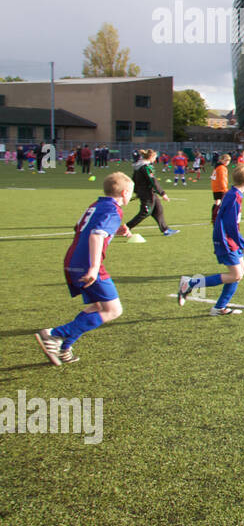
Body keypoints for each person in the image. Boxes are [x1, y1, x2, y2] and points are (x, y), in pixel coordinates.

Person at [36, 170, 135, 365]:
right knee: (113, 310)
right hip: (87, 264)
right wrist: (94, 267)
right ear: (124, 193)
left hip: (72, 260)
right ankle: (54, 335)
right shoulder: (114, 210)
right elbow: (96, 235)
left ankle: (64, 348)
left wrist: (116, 228)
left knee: (98, 306)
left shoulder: (97, 204)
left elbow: (79, 227)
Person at [178, 163, 244, 315]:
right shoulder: (234, 197)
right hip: (226, 240)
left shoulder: (234, 194)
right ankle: (189, 283)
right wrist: (243, 243)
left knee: (240, 271)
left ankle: (219, 307)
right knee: (236, 275)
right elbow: (230, 225)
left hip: (229, 239)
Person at [126, 149, 178, 236]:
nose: (155, 159)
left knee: (158, 210)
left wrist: (137, 191)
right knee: (145, 212)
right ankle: (126, 228)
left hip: (149, 192)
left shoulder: (140, 165)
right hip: (147, 193)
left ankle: (165, 230)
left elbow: (134, 180)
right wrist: (162, 193)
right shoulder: (145, 167)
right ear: (151, 157)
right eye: (155, 157)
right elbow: (153, 181)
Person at [210, 152, 230, 224]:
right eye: (226, 160)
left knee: (217, 202)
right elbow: (222, 179)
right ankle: (218, 217)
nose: (227, 162)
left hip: (215, 187)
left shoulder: (217, 166)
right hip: (220, 188)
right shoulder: (222, 168)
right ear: (222, 160)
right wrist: (225, 189)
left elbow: (212, 177)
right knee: (223, 203)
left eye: (228, 161)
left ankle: (214, 218)